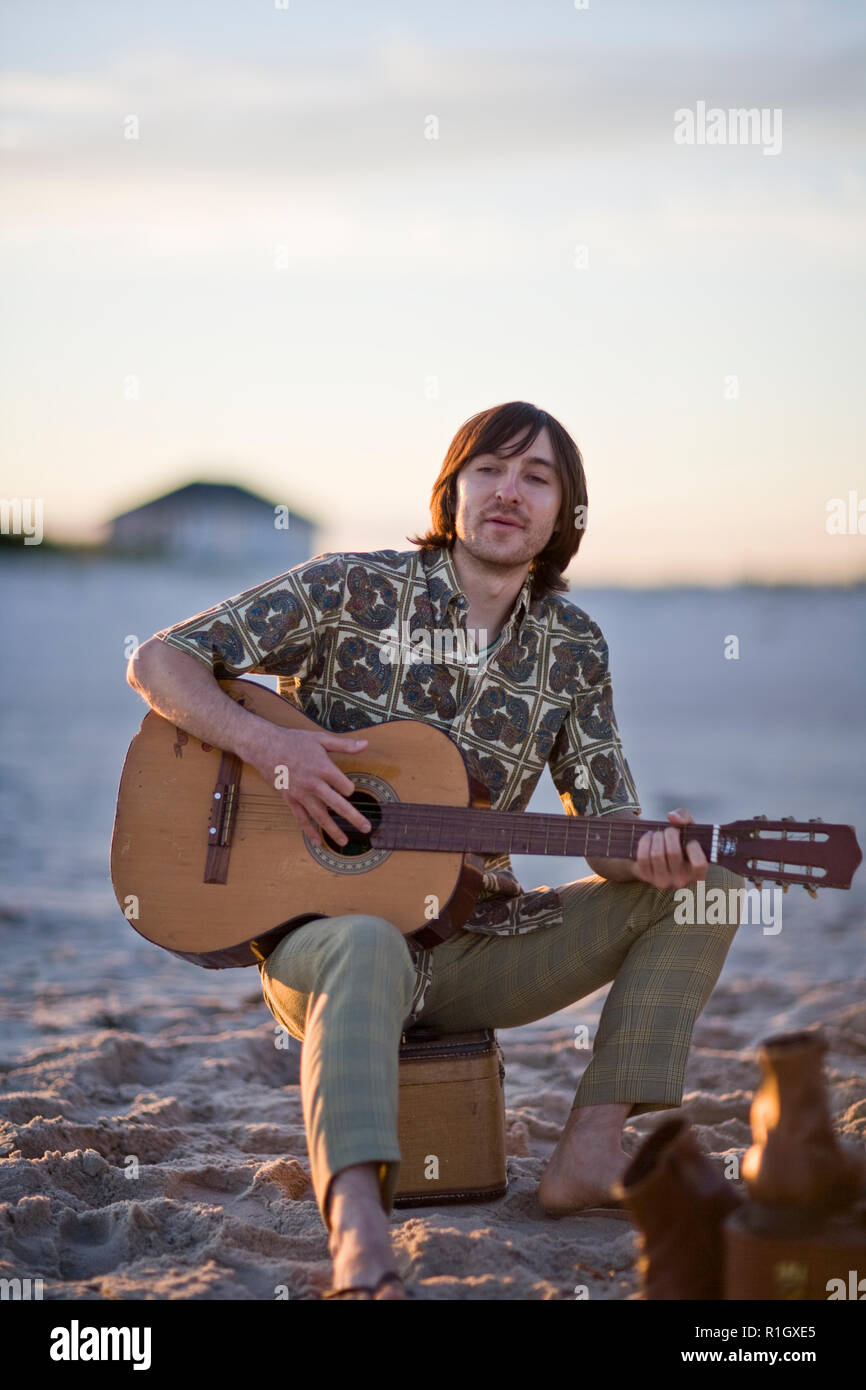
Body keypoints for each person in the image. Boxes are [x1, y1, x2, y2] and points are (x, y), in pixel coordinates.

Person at [127, 400, 745, 1300]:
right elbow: (159, 662)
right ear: (451, 488)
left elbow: (609, 826)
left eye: (539, 479)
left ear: (564, 515)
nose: (509, 491)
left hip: (477, 944)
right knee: (367, 940)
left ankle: (590, 1153)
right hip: (323, 944)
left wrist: (656, 851)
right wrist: (274, 749)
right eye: (490, 468)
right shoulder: (347, 588)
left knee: (712, 888)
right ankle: (360, 1237)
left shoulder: (574, 648)